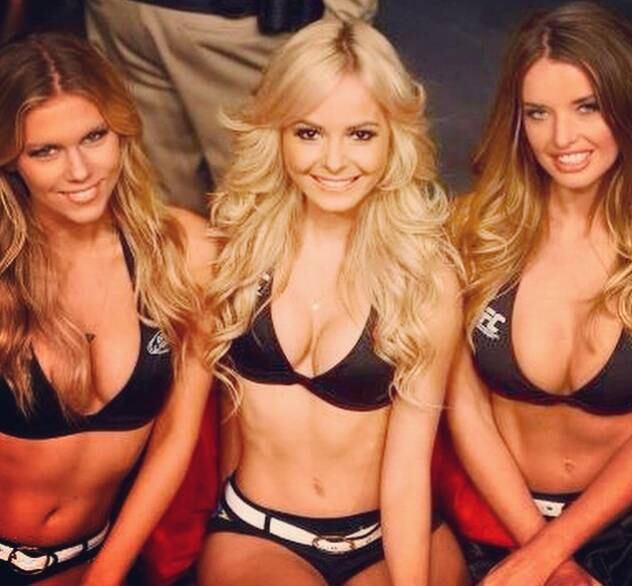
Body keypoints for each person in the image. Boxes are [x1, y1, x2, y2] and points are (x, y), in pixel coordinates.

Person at [197, 17, 462, 586]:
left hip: (387, 532)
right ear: (277, 133)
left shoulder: (424, 277)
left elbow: (409, 467)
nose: (334, 162)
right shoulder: (237, 251)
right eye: (309, 133)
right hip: (261, 532)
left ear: (393, 137)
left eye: (361, 135)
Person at [0, 33, 213, 585]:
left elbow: (175, 437)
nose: (79, 171)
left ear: (122, 131)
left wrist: (106, 574)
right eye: (45, 151)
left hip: (103, 558)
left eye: (94, 137)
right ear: (12, 161)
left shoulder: (184, 251)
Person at [449, 1, 632, 584]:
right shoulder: (475, 232)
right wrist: (540, 554)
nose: (562, 137)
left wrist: (549, 553)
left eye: (587, 107)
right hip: (495, 522)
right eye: (538, 113)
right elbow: (467, 407)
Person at [84, 0, 378, 213]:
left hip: (245, 27)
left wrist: (337, 21)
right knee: (166, 220)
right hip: (127, 21)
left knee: (277, 206)